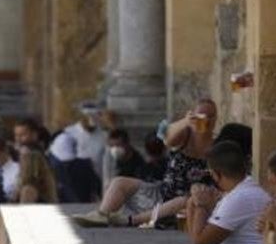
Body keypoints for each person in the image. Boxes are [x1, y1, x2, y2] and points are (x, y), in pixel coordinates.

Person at [126, 141, 269, 244]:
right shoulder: (245, 190)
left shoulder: (239, 197)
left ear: (216, 174)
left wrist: (201, 206)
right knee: (191, 216)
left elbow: (200, 243)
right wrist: (194, 204)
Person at [73, 98, 217, 228]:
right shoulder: (185, 136)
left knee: (186, 199)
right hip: (161, 194)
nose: (206, 120)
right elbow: (167, 139)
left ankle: (132, 220)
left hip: (186, 206)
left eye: (211, 116)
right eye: (201, 116)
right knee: (119, 182)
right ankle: (102, 215)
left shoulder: (217, 145)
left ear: (216, 119)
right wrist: (185, 122)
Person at [48, 102, 113, 201]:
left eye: (95, 116)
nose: (92, 120)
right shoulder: (68, 133)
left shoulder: (104, 135)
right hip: (75, 181)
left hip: (99, 179)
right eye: (88, 116)